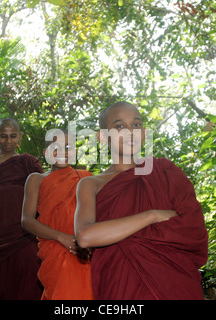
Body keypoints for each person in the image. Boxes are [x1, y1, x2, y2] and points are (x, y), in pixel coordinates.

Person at [74, 101, 208, 300]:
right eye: (119, 126)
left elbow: (193, 231)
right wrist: (151, 215)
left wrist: (115, 232)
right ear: (102, 137)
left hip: (174, 282)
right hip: (120, 283)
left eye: (136, 125)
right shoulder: (91, 184)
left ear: (144, 133)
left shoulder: (164, 172)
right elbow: (85, 237)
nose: (130, 132)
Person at [21, 129, 95, 300]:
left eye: (68, 147)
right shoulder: (36, 179)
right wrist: (62, 238)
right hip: (54, 246)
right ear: (46, 153)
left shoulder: (85, 178)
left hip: (81, 247)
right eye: (56, 147)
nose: (62, 152)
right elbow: (27, 220)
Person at [0, 117, 43, 300]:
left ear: (19, 137)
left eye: (13, 136)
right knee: (3, 279)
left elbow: (43, 192)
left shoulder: (28, 162)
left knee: (29, 275)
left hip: (25, 228)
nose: (8, 141)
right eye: (3, 136)